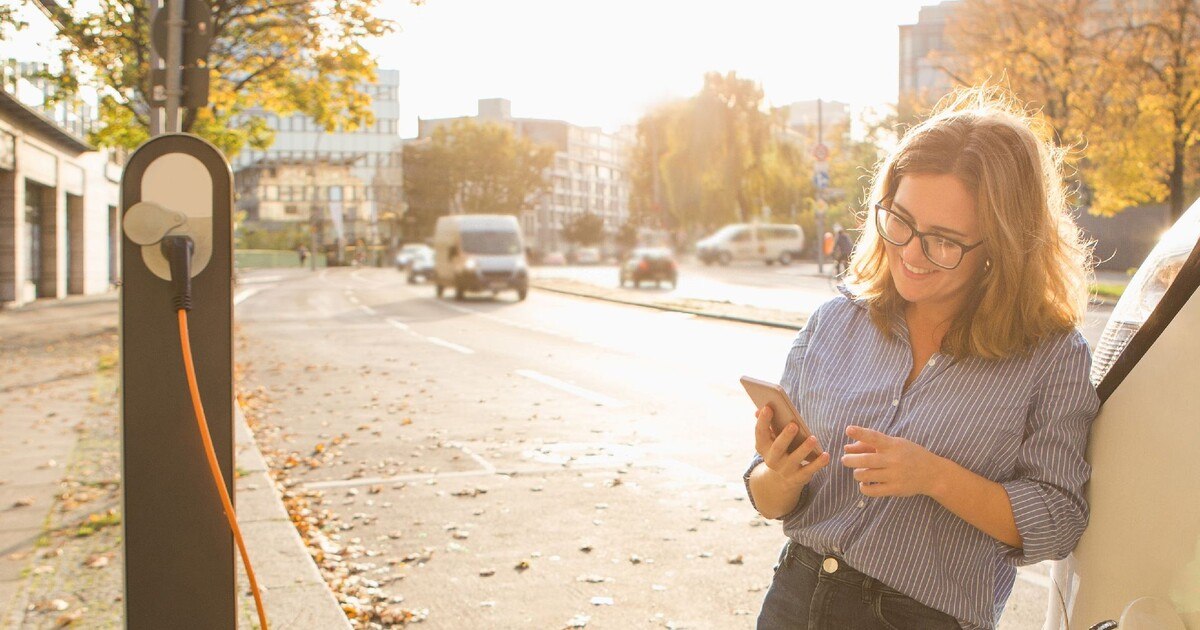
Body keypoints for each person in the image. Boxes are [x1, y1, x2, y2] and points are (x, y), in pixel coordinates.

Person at [745, 88, 1098, 630]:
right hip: (795, 596)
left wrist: (935, 477)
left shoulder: (1050, 356)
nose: (910, 253)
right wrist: (779, 475)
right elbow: (769, 501)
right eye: (901, 221)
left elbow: (1058, 521)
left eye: (943, 241)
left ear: (1003, 246)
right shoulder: (836, 322)